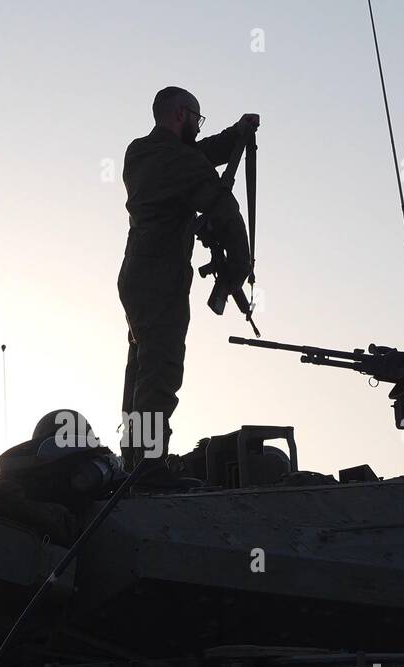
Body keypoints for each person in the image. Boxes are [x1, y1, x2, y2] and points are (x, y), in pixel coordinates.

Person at [117, 86, 258, 489]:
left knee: (142, 370)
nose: (199, 126)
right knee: (160, 371)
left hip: (136, 276)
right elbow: (223, 207)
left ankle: (133, 461)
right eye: (197, 118)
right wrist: (240, 266)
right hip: (161, 277)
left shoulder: (139, 152)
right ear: (181, 114)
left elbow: (195, 156)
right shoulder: (177, 161)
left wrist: (235, 135)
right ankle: (147, 467)